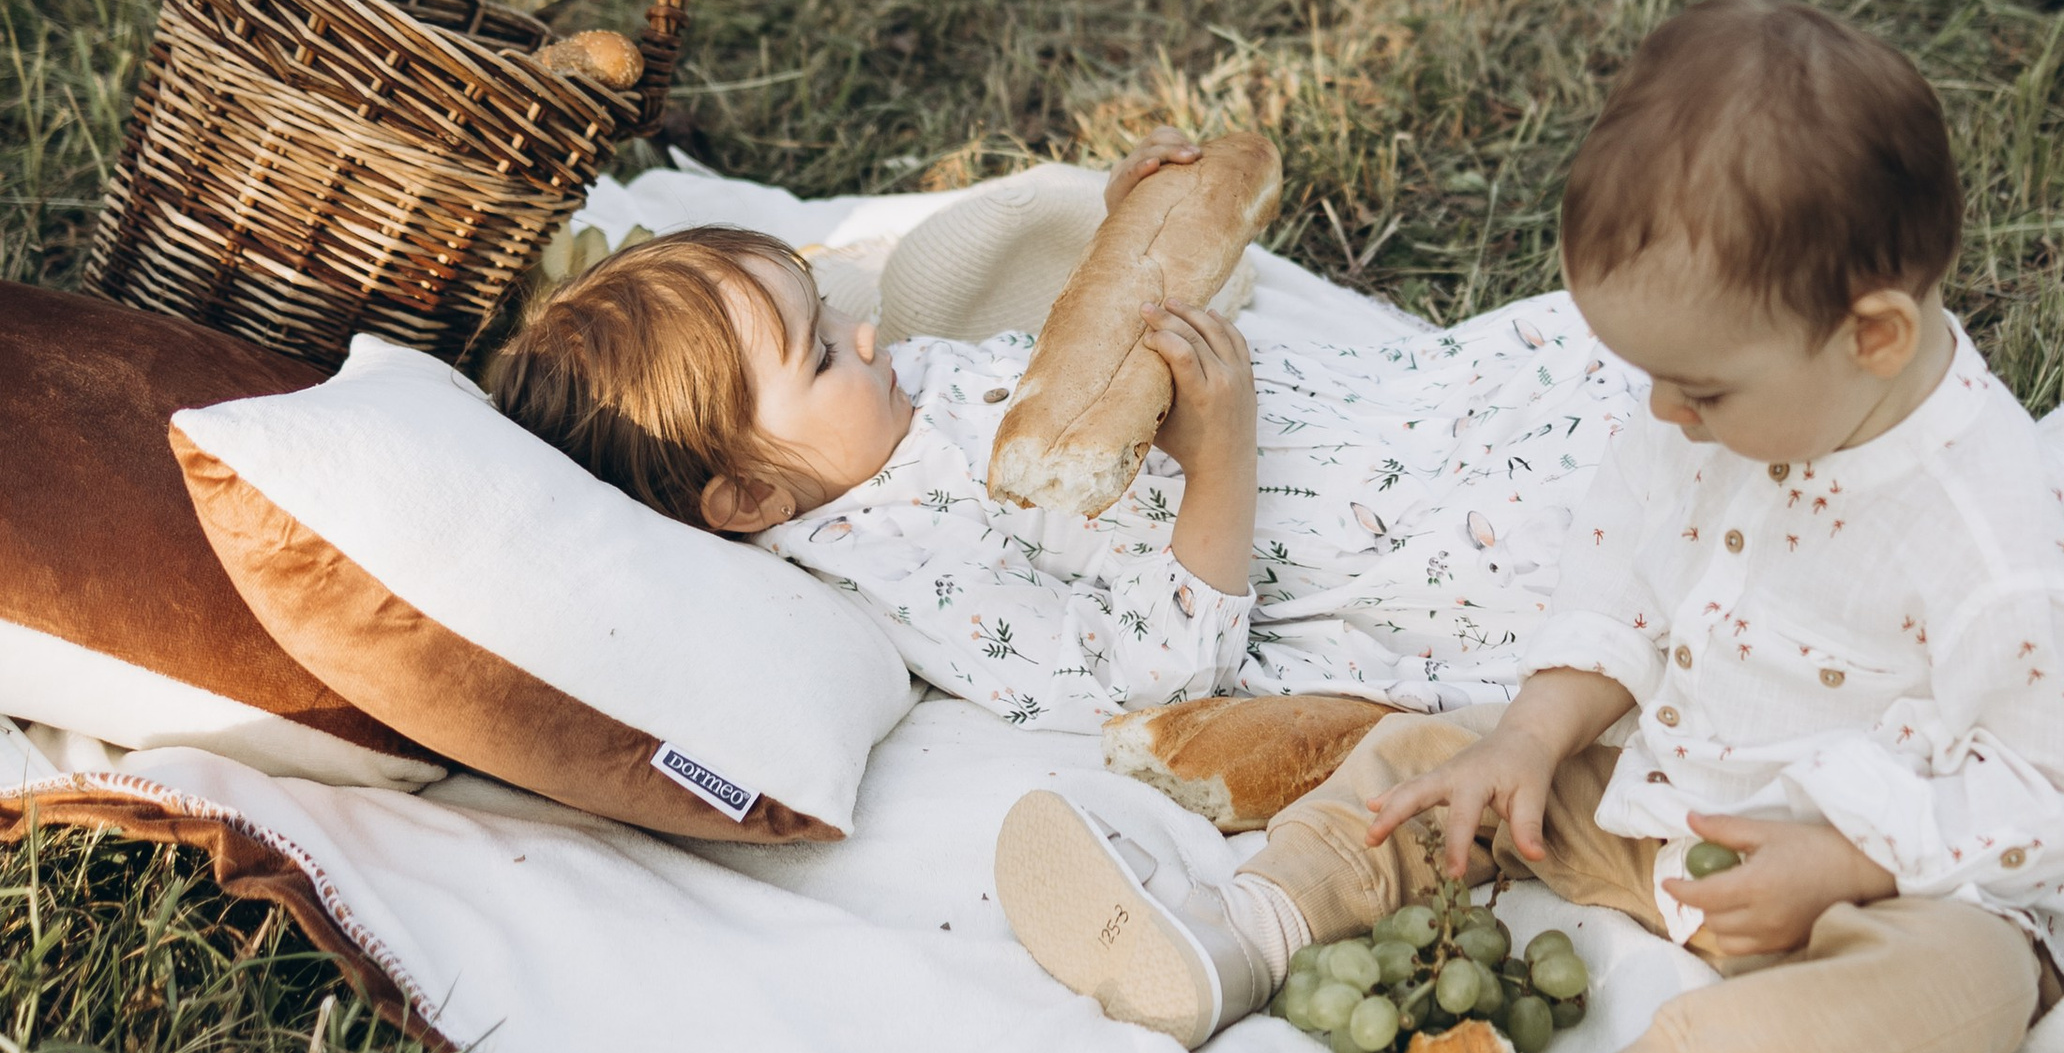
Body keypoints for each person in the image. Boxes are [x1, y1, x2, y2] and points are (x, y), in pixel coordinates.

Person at [991, 0, 2064, 1053]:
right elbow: (1624, 574)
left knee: (1952, 995)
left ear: (1874, 336)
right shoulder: (1720, 409)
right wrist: (1535, 733)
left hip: (1915, 879)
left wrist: (1850, 858)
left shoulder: (2008, 546)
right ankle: (1244, 929)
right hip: (1681, 800)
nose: (1663, 414)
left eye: (1698, 390)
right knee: (1436, 753)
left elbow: (2059, 791)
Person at [483, 138, 1639, 727]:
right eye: (822, 353)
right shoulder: (902, 568)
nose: (867, 335)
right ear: (746, 497)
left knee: (1603, 357)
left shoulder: (880, 409)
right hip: (1362, 533)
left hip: (1385, 408)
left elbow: (1061, 354)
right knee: (1615, 511)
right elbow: (1144, 678)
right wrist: (1219, 458)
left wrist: (1125, 226)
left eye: (830, 310)